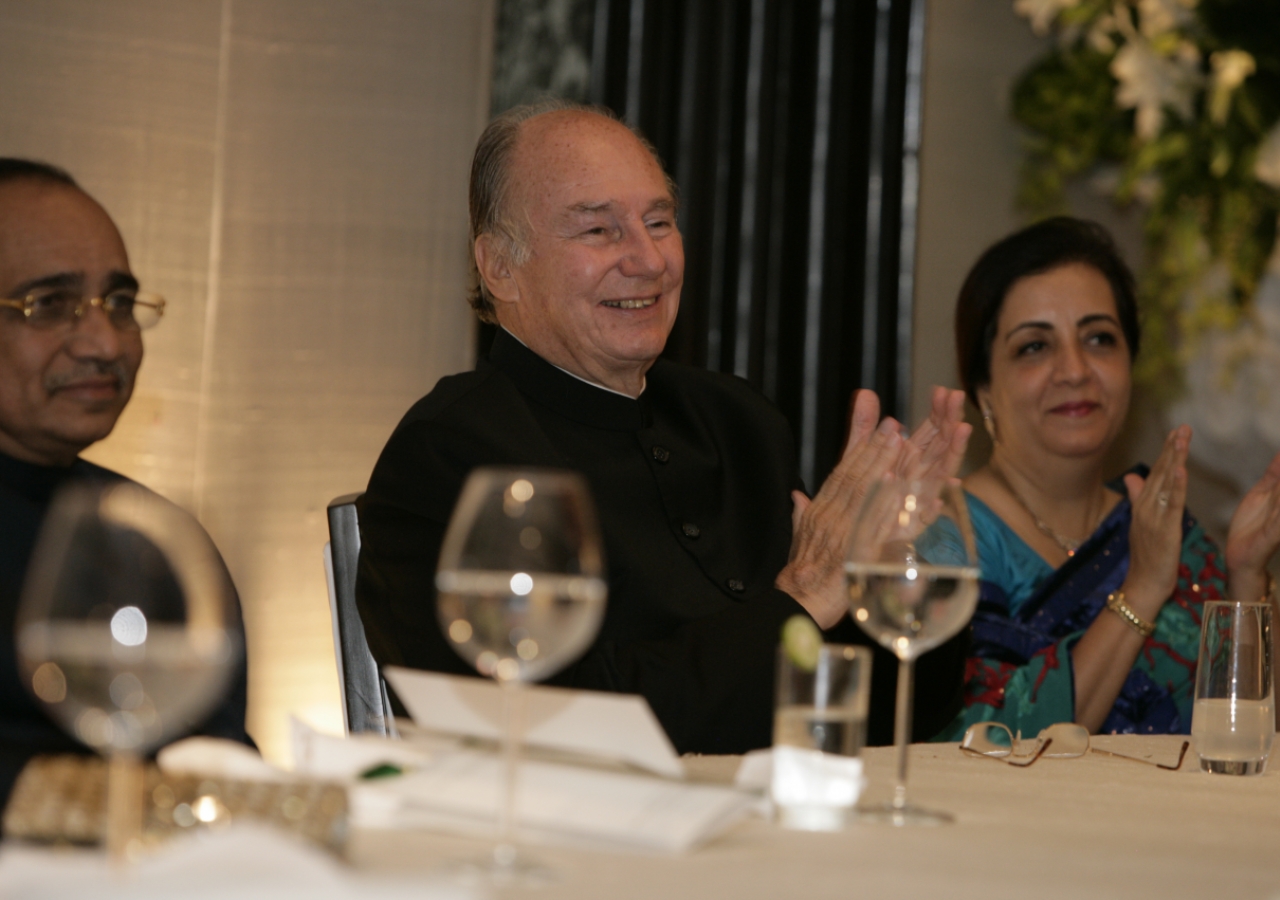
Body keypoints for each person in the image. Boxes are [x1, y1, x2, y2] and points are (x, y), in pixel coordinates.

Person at [356, 99, 973, 755]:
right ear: (500, 267)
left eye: (659, 222)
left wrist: (895, 575)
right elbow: (556, 729)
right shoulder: (451, 453)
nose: (649, 260)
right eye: (598, 231)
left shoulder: (738, 421)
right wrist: (800, 597)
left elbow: (885, 717)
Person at [935, 216, 1280, 739]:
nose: (1074, 369)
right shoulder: (946, 539)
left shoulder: (1160, 525)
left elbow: (1243, 738)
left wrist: (1247, 576)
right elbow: (977, 739)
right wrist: (1140, 591)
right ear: (983, 388)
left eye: (1099, 339)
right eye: (1035, 346)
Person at [0, 159, 251, 813]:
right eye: (48, 305)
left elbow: (218, 759)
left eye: (118, 303)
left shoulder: (149, 538)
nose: (105, 341)